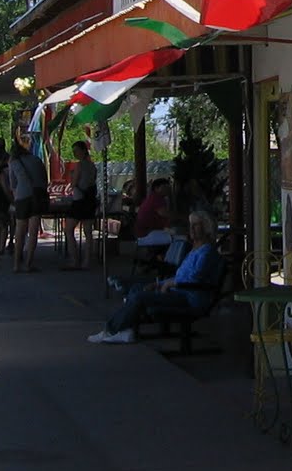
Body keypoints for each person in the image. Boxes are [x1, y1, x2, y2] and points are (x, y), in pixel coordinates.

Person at [88, 210, 221, 344]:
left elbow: (194, 278)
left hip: (189, 298)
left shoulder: (207, 252)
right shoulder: (194, 250)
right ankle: (126, 330)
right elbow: (180, 276)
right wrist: (159, 284)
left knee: (139, 297)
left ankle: (110, 330)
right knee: (137, 288)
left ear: (206, 228)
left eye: (196, 225)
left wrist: (169, 284)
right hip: (179, 292)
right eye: (190, 225)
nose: (191, 228)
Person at [7, 141, 49, 273]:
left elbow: (13, 184)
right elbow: (45, 179)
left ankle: (16, 264)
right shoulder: (37, 160)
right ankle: (28, 264)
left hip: (22, 197)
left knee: (20, 231)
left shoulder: (13, 162)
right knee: (33, 231)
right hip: (37, 197)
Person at [62, 140, 98, 271]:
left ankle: (75, 260)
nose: (75, 153)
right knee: (88, 232)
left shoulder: (79, 165)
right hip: (90, 200)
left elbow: (74, 183)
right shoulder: (93, 166)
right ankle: (87, 261)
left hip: (79, 200)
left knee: (68, 229)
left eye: (76, 151)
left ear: (83, 151)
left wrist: (72, 177)